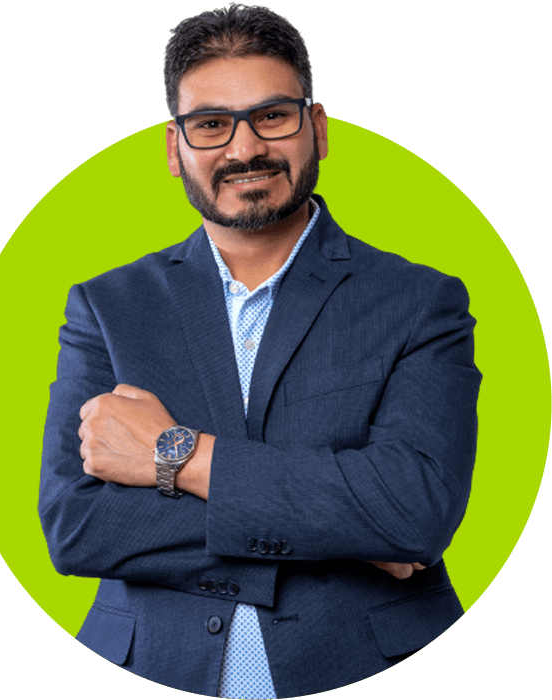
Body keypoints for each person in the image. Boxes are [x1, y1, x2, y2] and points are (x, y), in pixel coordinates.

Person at [39, 4, 482, 698]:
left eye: (272, 115)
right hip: (153, 668)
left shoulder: (420, 302)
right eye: (211, 124)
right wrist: (349, 533)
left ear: (318, 128)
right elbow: (78, 528)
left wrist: (175, 455)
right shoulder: (107, 307)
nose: (244, 149)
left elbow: (413, 511)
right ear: (173, 147)